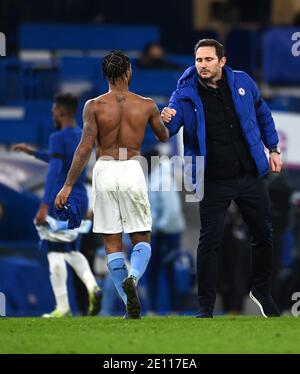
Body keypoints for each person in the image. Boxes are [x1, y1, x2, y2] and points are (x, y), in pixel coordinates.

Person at [161, 39, 282, 318]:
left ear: (222, 61)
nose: (202, 65)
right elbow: (169, 128)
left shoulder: (243, 82)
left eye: (208, 60)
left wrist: (273, 149)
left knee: (264, 235)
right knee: (209, 242)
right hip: (213, 179)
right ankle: (206, 307)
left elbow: (262, 113)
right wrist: (163, 119)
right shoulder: (184, 95)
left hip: (250, 174)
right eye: (199, 60)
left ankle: (261, 290)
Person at [55, 50, 169, 319]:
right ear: (129, 72)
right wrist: (164, 118)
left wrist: (68, 185)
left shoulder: (93, 106)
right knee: (142, 236)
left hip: (104, 169)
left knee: (112, 243)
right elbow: (164, 136)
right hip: (132, 167)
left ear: (105, 75)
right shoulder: (147, 104)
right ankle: (135, 277)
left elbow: (84, 148)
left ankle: (130, 306)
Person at [12, 93, 102, 317]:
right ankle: (92, 286)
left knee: (54, 252)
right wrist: (33, 153)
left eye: (54, 110)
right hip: (80, 196)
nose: (52, 113)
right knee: (71, 248)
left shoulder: (57, 137)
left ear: (61, 112)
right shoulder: (83, 134)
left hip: (61, 196)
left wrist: (44, 205)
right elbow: (60, 160)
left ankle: (62, 307)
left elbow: (54, 171)